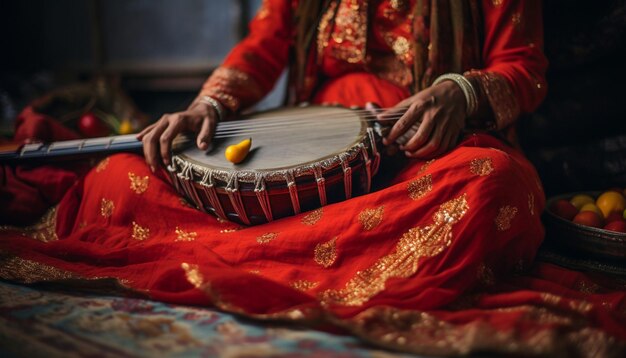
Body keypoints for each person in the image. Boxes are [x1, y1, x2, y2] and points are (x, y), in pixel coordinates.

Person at [1, 1, 625, 355]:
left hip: (421, 153)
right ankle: (313, 241)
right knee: (120, 172)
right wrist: (209, 106)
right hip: (298, 161)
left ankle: (269, 247)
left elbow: (525, 68)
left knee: (497, 185)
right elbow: (264, 44)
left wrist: (463, 92)